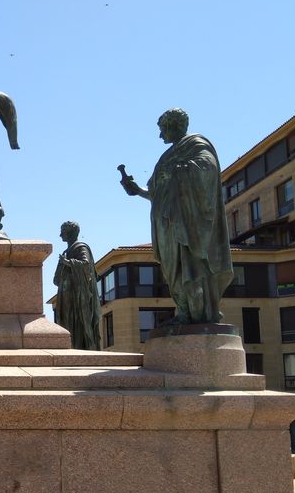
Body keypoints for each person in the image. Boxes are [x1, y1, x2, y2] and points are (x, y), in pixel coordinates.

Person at [119, 108, 233, 325]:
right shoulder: (167, 156)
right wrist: (137, 190)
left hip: (188, 226)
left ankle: (198, 314)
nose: (160, 136)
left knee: (192, 268)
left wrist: (176, 172)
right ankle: (184, 311)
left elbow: (207, 169)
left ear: (173, 126)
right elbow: (156, 192)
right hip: (167, 224)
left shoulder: (197, 146)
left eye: (162, 130)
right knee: (174, 272)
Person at [53, 221, 102, 350]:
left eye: (62, 232)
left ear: (70, 233)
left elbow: (86, 264)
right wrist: (61, 265)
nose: (60, 235)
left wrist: (68, 262)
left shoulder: (80, 247)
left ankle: (79, 346)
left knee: (77, 322)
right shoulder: (66, 250)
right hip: (66, 294)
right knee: (66, 321)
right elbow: (56, 279)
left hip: (78, 296)